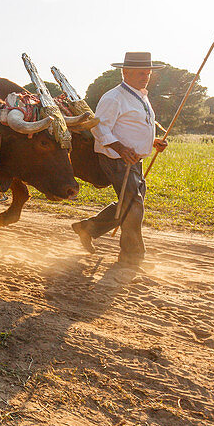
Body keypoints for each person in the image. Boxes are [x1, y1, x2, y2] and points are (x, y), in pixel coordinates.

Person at [71, 52, 169, 266]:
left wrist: (154, 142)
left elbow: (132, 126)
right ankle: (131, 257)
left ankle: (87, 228)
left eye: (148, 73)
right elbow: (99, 127)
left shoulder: (141, 95)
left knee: (129, 202)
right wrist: (120, 148)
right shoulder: (113, 97)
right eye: (141, 73)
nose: (146, 77)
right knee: (134, 205)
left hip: (134, 159)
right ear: (125, 72)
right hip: (116, 158)